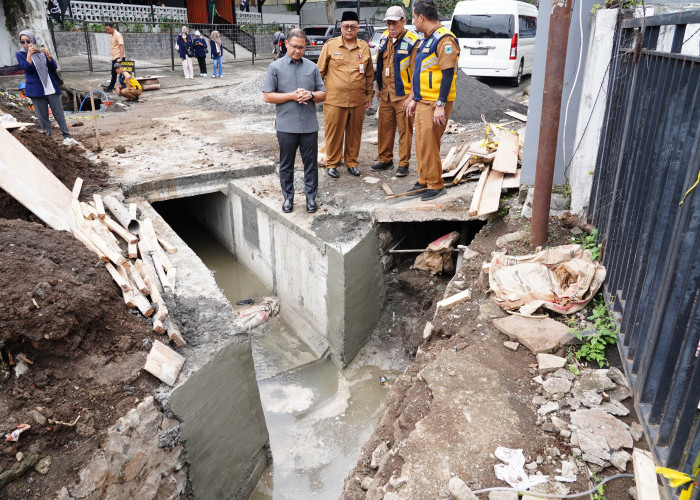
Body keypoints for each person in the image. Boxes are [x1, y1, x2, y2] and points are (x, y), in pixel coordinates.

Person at [262, 29, 326, 214]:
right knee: (286, 164)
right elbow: (267, 96)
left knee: (311, 164)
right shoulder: (275, 67)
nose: (298, 51)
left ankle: (311, 198)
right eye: (295, 47)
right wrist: (291, 95)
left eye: (302, 47)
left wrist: (311, 94)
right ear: (286, 44)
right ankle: (288, 198)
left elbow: (323, 93)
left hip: (309, 126)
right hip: (286, 126)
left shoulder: (312, 67)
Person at [405, 0, 459, 201]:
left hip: (435, 103)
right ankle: (423, 180)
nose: (413, 22)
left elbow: (447, 74)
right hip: (423, 101)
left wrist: (440, 105)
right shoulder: (427, 39)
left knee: (430, 144)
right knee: (421, 144)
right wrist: (414, 98)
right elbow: (421, 72)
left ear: (421, 17)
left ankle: (436, 184)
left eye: (413, 17)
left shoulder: (444, 40)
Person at [317, 11, 374, 178]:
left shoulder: (364, 47)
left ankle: (352, 162)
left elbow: (369, 74)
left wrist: (369, 95)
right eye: (346, 27)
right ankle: (332, 163)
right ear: (341, 28)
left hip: (357, 100)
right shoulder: (330, 45)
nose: (349, 30)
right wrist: (317, 95)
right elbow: (320, 71)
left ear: (358, 28)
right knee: (333, 133)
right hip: (334, 99)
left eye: (353, 27)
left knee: (354, 133)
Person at [372, 6, 419, 178]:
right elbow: (380, 64)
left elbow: (416, 72)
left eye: (394, 23)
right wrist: (378, 86)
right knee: (384, 128)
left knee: (405, 130)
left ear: (403, 22)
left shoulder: (413, 41)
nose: (391, 27)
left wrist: (413, 97)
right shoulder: (384, 39)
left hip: (403, 95)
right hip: (386, 94)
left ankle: (403, 163)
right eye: (388, 23)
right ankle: (385, 159)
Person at [15, 30, 77, 145]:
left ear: (33, 40)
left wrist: (48, 55)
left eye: (28, 41)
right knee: (43, 116)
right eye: (23, 42)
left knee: (59, 114)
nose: (26, 44)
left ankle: (67, 136)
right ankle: (49, 139)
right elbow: (27, 69)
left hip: (50, 86)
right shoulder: (20, 54)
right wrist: (29, 54)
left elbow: (53, 67)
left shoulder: (41, 52)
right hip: (36, 89)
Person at [104, 22, 124, 92]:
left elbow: (121, 45)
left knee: (118, 73)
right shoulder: (111, 35)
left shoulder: (118, 35)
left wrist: (121, 57)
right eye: (106, 30)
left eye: (108, 29)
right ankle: (111, 87)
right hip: (114, 57)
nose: (107, 31)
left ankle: (112, 87)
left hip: (118, 58)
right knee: (114, 74)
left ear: (112, 28)